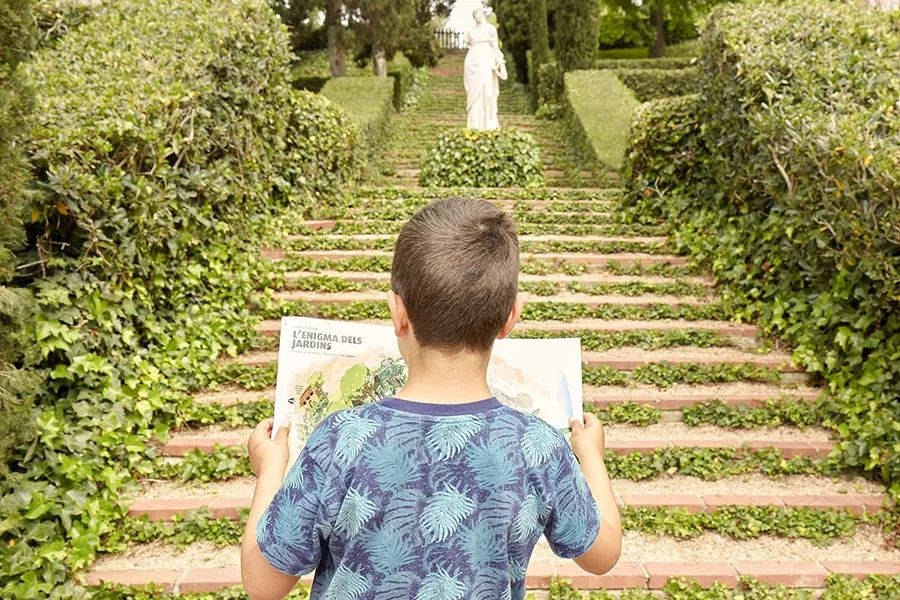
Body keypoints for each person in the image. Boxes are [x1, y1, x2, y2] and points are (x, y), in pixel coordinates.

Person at [240, 197, 622, 600]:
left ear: (398, 313)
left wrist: (271, 467)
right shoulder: (539, 445)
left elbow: (263, 585)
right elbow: (603, 554)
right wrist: (591, 455)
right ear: (510, 317)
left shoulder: (340, 438)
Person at [464, 7, 507, 130]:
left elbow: (495, 48)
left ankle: (489, 125)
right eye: (475, 13)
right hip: (472, 63)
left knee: (488, 93)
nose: (478, 15)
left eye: (479, 13)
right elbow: (468, 42)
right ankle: (474, 125)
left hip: (487, 60)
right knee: (475, 95)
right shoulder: (470, 32)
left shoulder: (490, 29)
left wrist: (501, 64)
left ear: (483, 14)